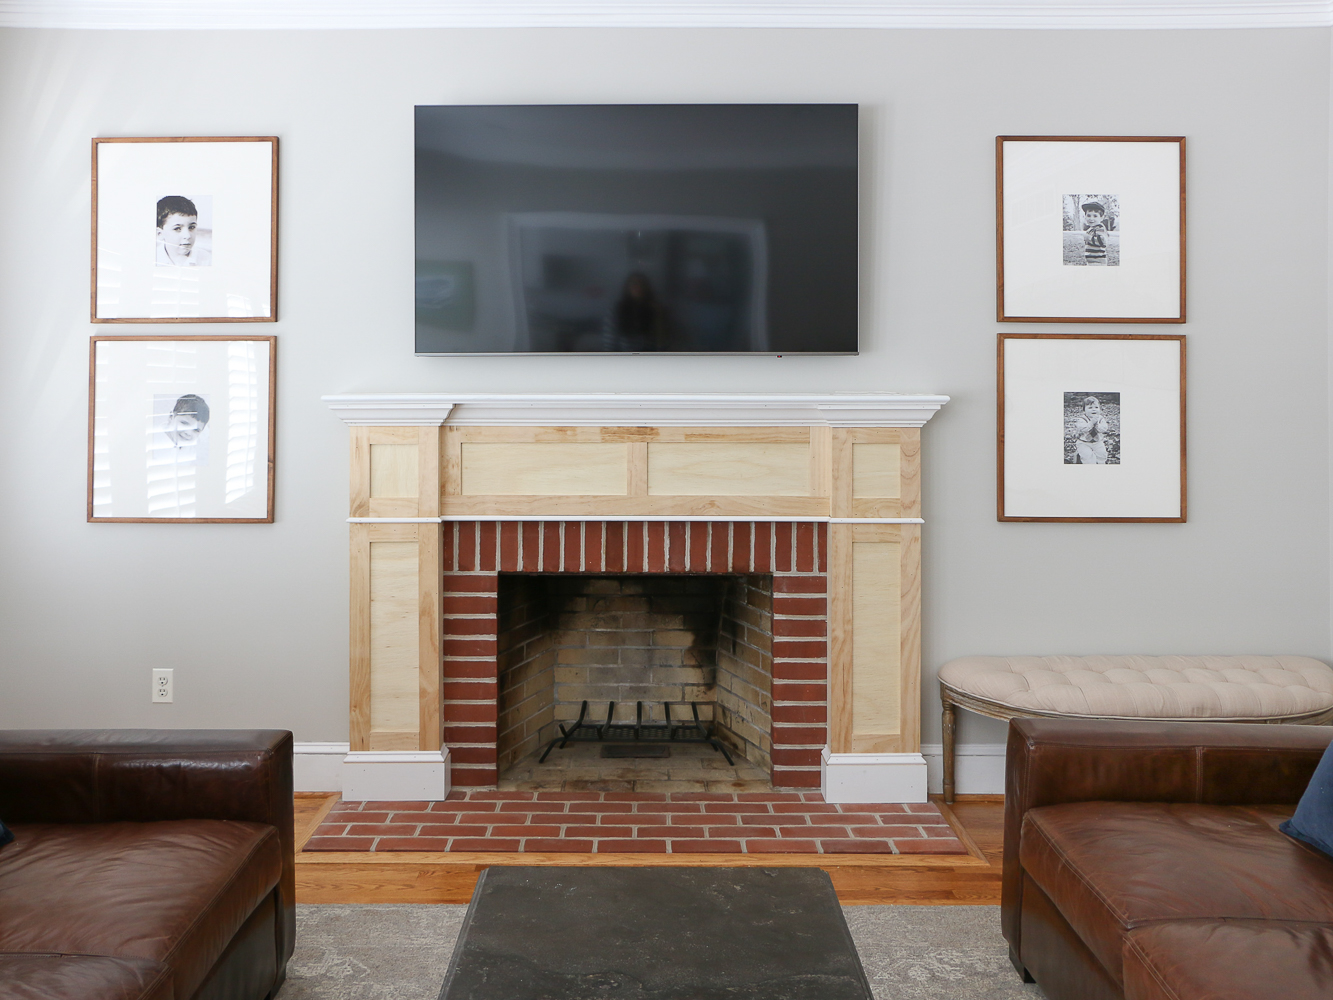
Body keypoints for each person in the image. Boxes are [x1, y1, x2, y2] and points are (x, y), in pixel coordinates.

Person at [156, 196, 212, 266]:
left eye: (191, 227)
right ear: (159, 234)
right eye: (177, 228)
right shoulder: (154, 258)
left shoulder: (207, 260)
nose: (187, 235)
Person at [1071, 395, 1110, 464]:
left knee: (1102, 454)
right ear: (1084, 410)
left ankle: (1101, 465)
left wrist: (1097, 424)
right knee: (1087, 456)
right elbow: (1083, 428)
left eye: (1096, 407)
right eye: (1090, 407)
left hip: (1098, 442)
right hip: (1084, 442)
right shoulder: (1082, 419)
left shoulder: (1100, 419)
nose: (1094, 409)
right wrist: (1091, 423)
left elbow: (1104, 428)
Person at [1080, 201, 1109, 265]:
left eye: (1095, 216)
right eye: (1088, 215)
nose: (1091, 218)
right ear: (1085, 216)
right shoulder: (1091, 228)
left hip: (1098, 261)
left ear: (1101, 218)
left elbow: (1102, 241)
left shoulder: (1100, 228)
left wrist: (1089, 238)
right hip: (1091, 261)